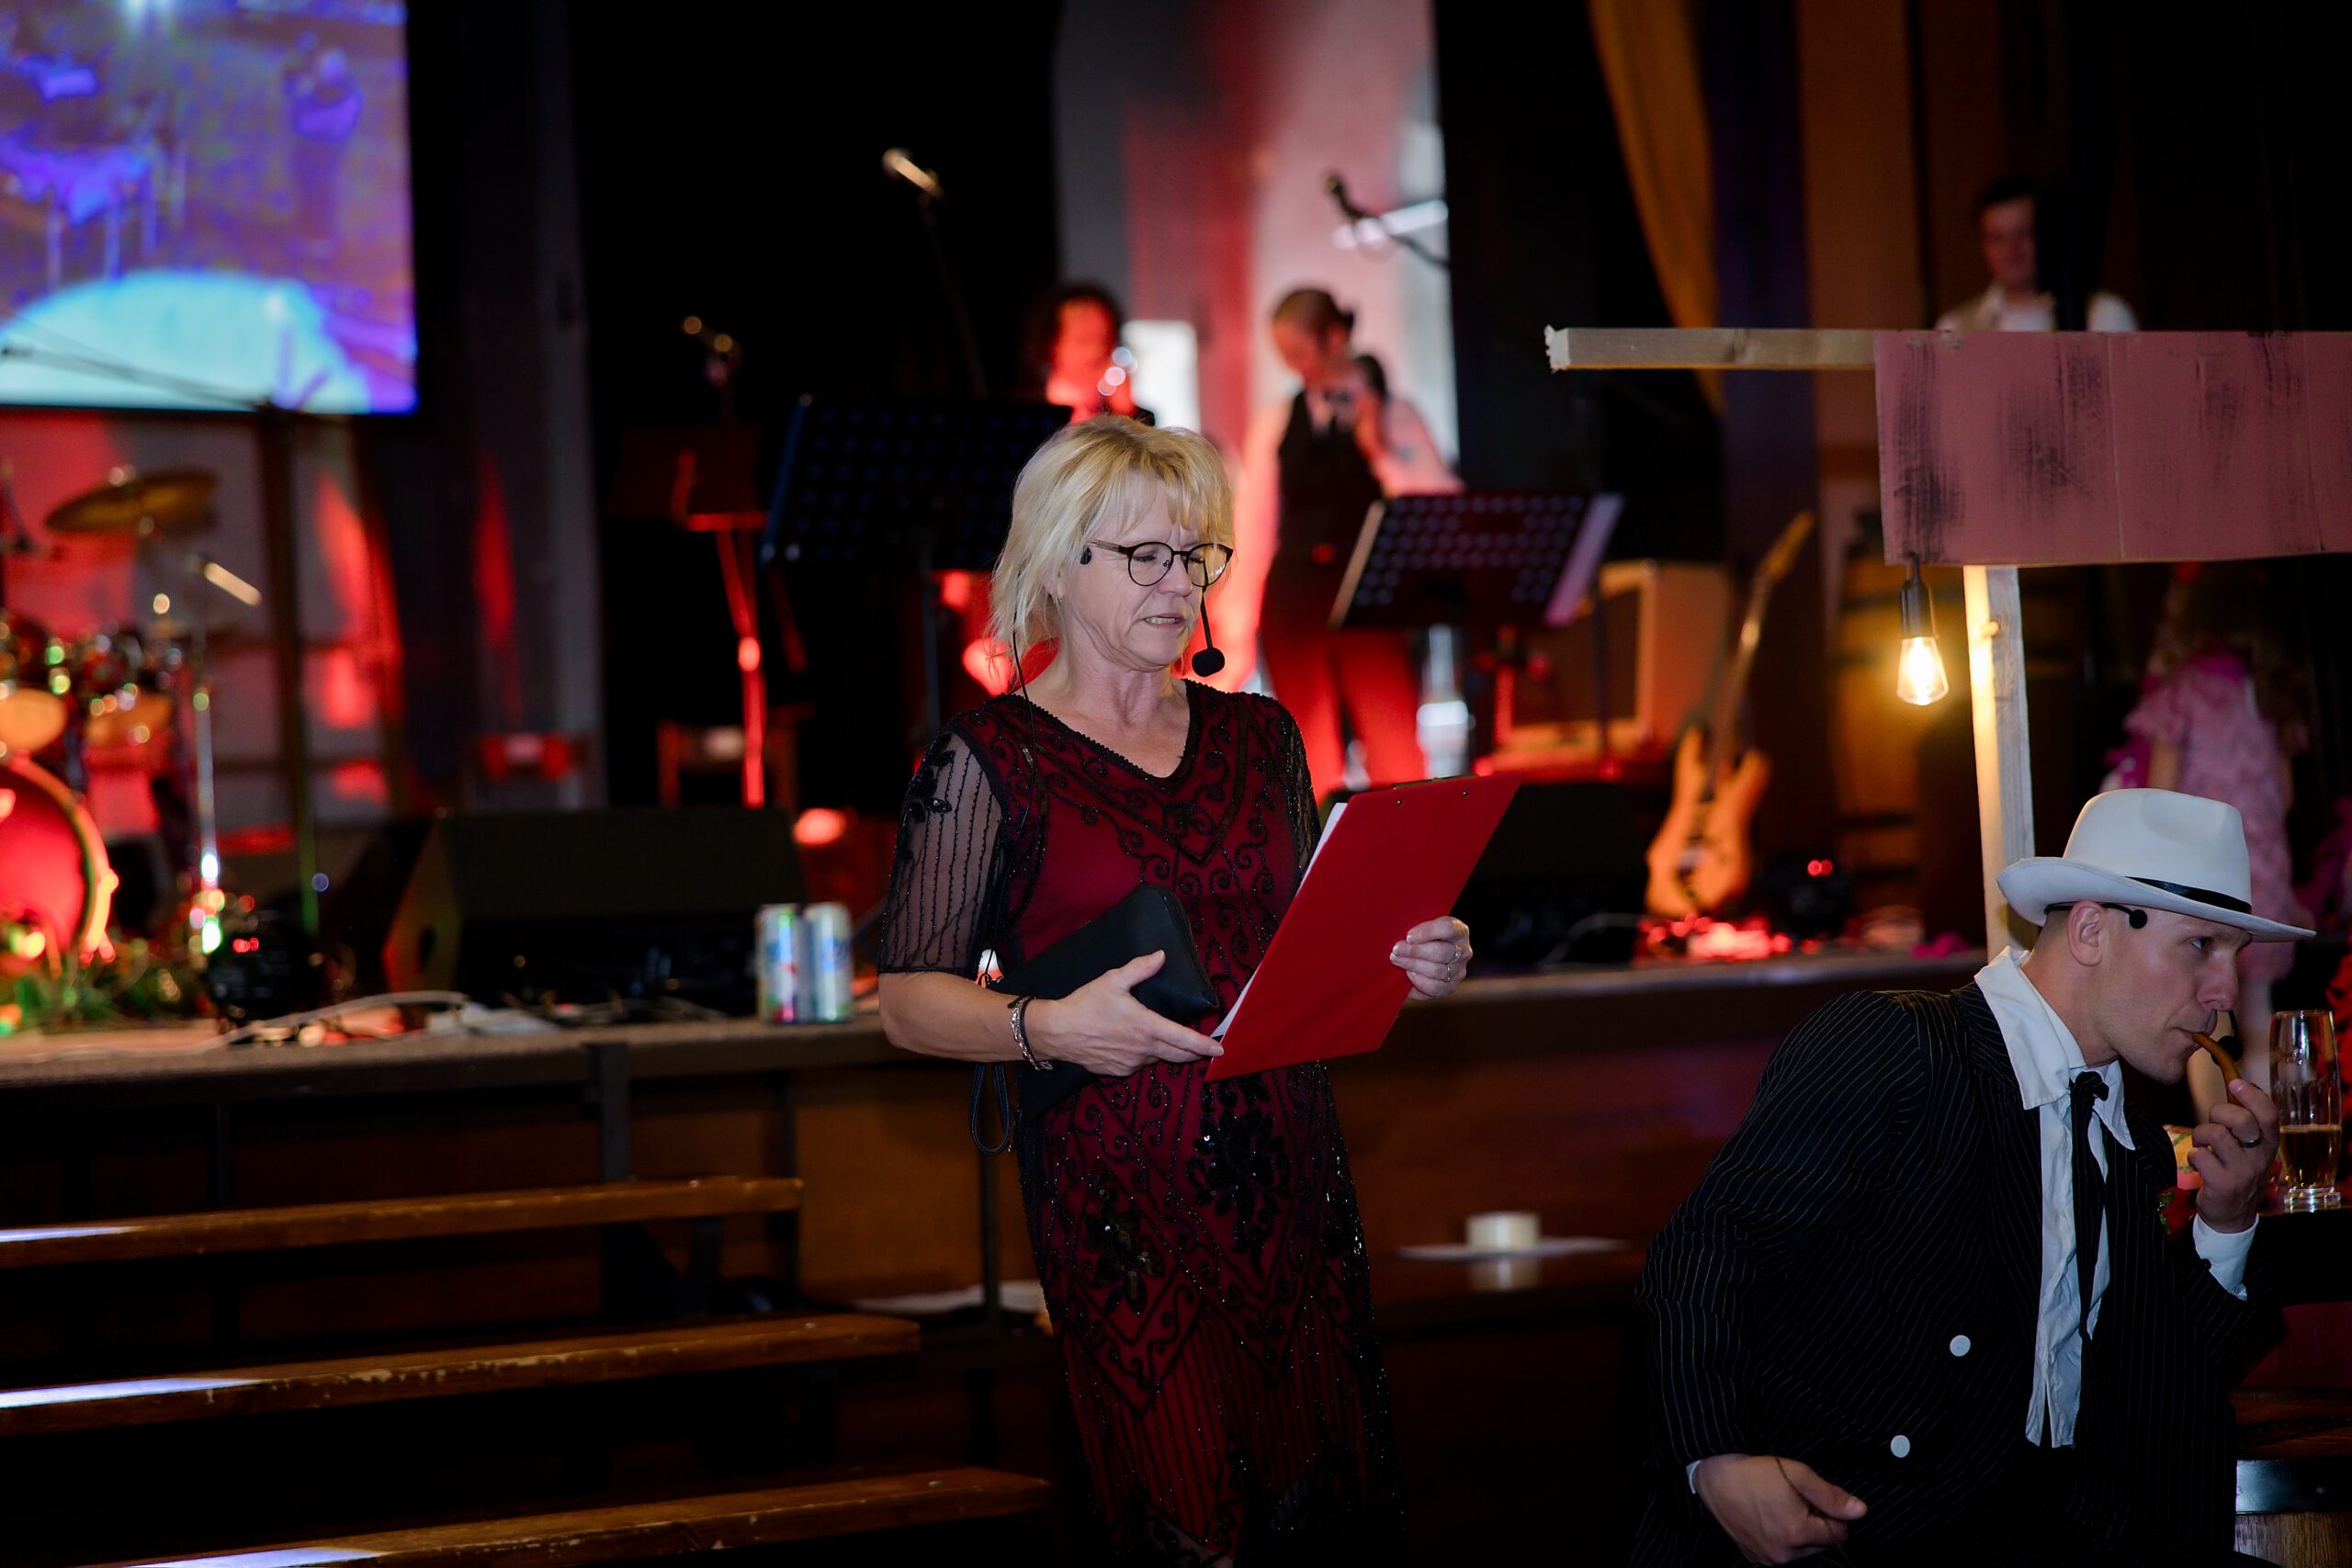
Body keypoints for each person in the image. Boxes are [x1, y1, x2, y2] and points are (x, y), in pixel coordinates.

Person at [877, 415, 1473, 1563]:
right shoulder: (990, 761)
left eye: (1195, 554)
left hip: (1295, 1195)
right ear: (1056, 565)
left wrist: (1416, 956)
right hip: (1123, 1222)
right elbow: (906, 1000)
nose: (1179, 582)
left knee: (1331, 1527)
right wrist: (1049, 1027)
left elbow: (1305, 943)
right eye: (1143, 554)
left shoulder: (1261, 738)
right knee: (1193, 1536)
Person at [1636, 788, 2308, 1566]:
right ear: (2090, 929)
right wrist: (1717, 1464)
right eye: (2200, 945)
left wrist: (2227, 1221)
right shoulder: (1900, 1047)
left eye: (2235, 954)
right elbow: (1706, 1248)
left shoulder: (2135, 1147)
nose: (2224, 993)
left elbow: (2161, 1400)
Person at [1222, 288, 1459, 799]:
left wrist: (1379, 451)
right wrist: (1236, 629)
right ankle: (1322, 845)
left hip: (1370, 596)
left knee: (1396, 747)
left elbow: (1438, 504)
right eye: (1285, 355)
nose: (1295, 367)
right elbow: (1254, 527)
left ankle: (1411, 841)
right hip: (1294, 598)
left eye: (1300, 352)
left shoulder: (1393, 413)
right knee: (1308, 754)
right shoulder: (1277, 420)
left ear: (1334, 338)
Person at [2105, 563, 2311, 1098]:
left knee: (2203, 1015)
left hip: (2204, 877)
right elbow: (2287, 794)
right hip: (2261, 879)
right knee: (2261, 1013)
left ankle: (2223, 1131)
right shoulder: (2268, 694)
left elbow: (2161, 793)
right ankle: (2275, 1135)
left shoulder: (2182, 692)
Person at [1935, 175, 2137, 333]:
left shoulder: (2102, 314)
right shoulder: (1954, 328)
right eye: (1997, 238)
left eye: (2024, 232)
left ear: (2047, 233)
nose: (2011, 248)